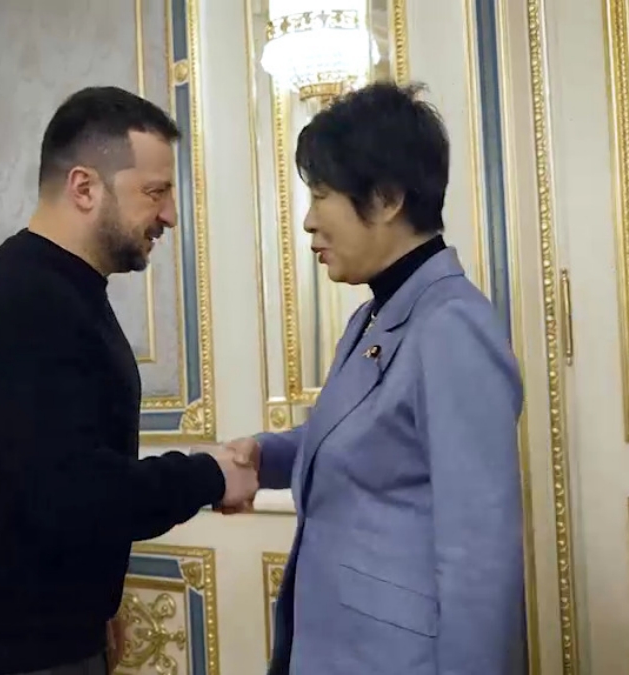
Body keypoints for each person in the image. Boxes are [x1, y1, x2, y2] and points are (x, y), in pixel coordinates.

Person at [0, 86, 258, 675]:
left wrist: (95, 607)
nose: (170, 215)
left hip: (46, 639)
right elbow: (73, 492)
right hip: (3, 653)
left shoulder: (61, 289)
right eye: (155, 192)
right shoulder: (27, 297)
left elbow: (55, 476)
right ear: (84, 187)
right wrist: (212, 474)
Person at [225, 82, 526, 674]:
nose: (309, 221)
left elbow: (480, 560)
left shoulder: (452, 327)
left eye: (321, 195)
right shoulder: (374, 317)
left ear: (387, 198)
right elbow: (369, 440)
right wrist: (264, 456)